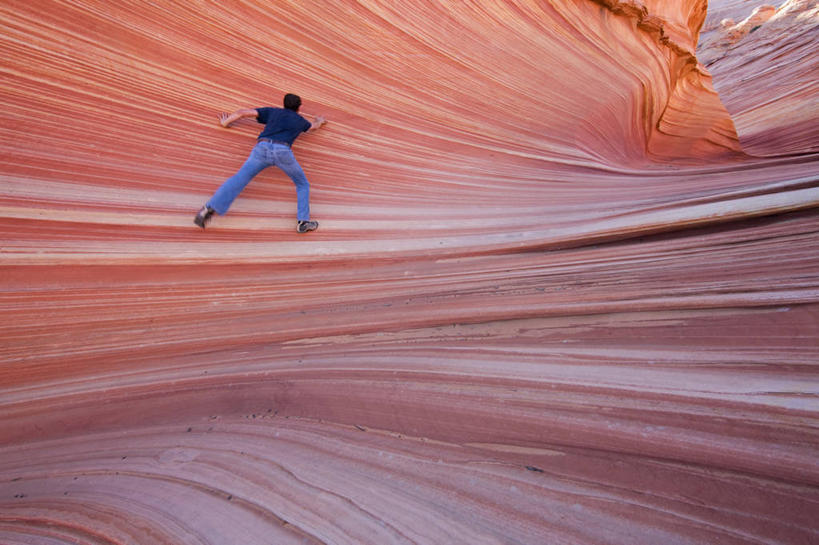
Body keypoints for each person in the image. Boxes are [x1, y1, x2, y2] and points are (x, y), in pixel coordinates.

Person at [194, 93, 326, 233]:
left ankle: (210, 207)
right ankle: (303, 222)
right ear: (300, 107)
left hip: (261, 149)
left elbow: (243, 113)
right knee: (302, 184)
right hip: (283, 152)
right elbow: (313, 127)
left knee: (239, 179)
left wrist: (225, 122)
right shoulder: (300, 121)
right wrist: (320, 121)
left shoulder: (273, 112)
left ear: (284, 103)